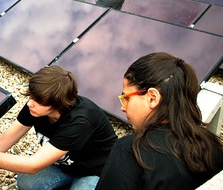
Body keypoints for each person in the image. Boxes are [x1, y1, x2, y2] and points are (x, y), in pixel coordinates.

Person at [0, 65, 117, 190]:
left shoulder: (80, 120)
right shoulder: (35, 108)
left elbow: (33, 164)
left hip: (96, 172)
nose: (30, 103)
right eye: (31, 96)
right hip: (65, 166)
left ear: (58, 103)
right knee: (26, 183)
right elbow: (2, 142)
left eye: (37, 101)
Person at [95, 52, 223, 190]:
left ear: (152, 98)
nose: (122, 107)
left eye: (126, 98)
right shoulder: (213, 146)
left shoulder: (130, 151)